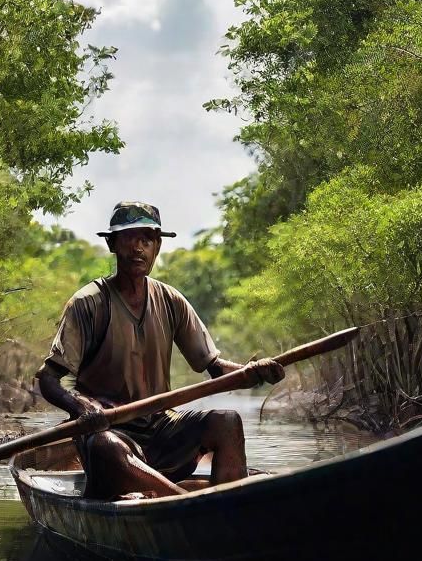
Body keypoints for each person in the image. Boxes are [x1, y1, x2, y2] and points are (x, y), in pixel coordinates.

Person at [36, 201, 285, 500]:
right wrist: (82, 408)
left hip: (161, 429)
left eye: (147, 239)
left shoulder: (170, 300)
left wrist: (252, 372)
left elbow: (215, 368)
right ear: (112, 243)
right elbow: (48, 379)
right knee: (106, 445)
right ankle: (182, 501)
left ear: (157, 247)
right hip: (111, 434)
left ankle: (229, 504)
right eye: (129, 238)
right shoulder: (89, 303)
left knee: (227, 421)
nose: (138, 248)